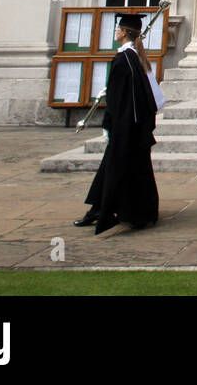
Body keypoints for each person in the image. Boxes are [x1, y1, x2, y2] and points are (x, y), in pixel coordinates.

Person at [74, 12, 159, 234]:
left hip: (125, 127)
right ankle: (102, 209)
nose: (116, 32)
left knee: (117, 170)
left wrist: (108, 122)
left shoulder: (125, 59)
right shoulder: (134, 57)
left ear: (123, 33)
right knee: (121, 170)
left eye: (118, 29)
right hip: (134, 126)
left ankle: (108, 211)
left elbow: (120, 98)